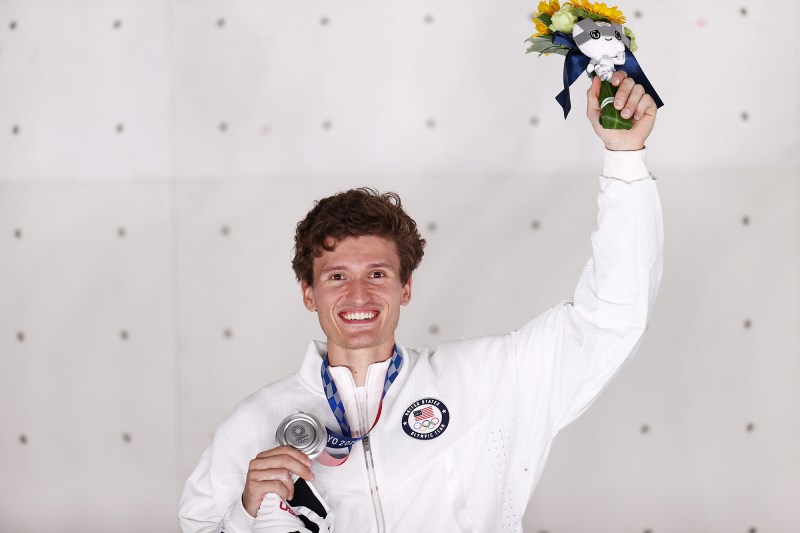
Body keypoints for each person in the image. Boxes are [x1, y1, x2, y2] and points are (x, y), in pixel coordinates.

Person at [179, 71, 663, 532]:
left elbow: (611, 318)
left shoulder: (489, 378)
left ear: (405, 287)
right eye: (336, 277)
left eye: (378, 273)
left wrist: (624, 158)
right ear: (309, 293)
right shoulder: (254, 424)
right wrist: (244, 515)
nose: (358, 295)